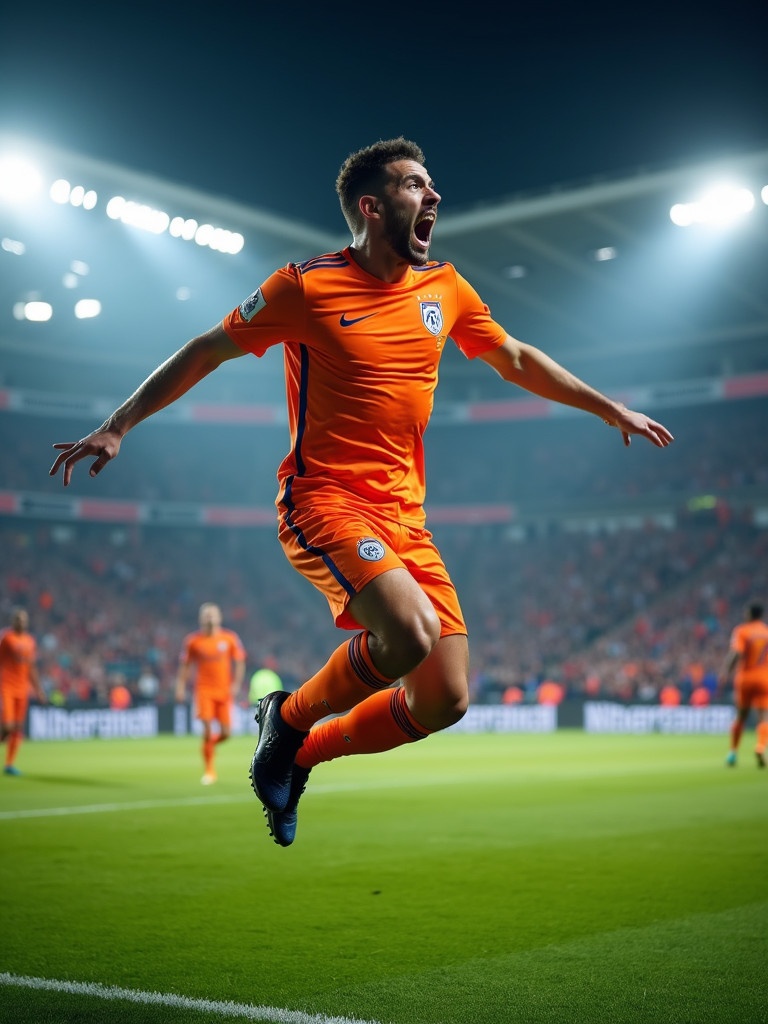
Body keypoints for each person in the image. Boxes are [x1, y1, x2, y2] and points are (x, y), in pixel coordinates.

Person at [49, 137, 674, 844]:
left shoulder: (445, 289)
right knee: (408, 633)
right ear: (372, 208)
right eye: (415, 186)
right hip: (325, 502)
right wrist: (118, 424)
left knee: (446, 699)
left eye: (432, 185)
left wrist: (607, 407)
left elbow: (517, 357)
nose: (433, 196)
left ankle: (296, 756)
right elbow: (205, 349)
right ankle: (285, 719)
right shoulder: (304, 286)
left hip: (408, 519)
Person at [174, 602, 246, 784]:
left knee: (226, 734)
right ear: (200, 619)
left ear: (219, 617)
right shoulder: (193, 641)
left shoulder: (229, 638)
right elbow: (185, 666)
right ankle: (209, 771)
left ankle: (210, 745)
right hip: (204, 690)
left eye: (212, 615)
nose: (210, 618)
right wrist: (180, 687)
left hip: (224, 692)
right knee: (206, 730)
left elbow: (240, 662)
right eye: (206, 615)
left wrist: (236, 684)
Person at [719, 601, 768, 768]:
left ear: (749, 614)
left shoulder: (742, 630)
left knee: (741, 716)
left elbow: (736, 653)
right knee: (763, 717)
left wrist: (726, 670)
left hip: (746, 677)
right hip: (764, 678)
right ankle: (760, 747)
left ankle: (733, 753)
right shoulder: (766, 632)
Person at [0, 607, 47, 776]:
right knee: (8, 726)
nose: (21, 622)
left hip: (22, 689)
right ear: (13, 621)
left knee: (18, 728)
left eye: (24, 619)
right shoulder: (6, 638)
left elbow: (31, 668)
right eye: (18, 619)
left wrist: (38, 690)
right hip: (7, 686)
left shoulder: (30, 641)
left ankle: (9, 764)